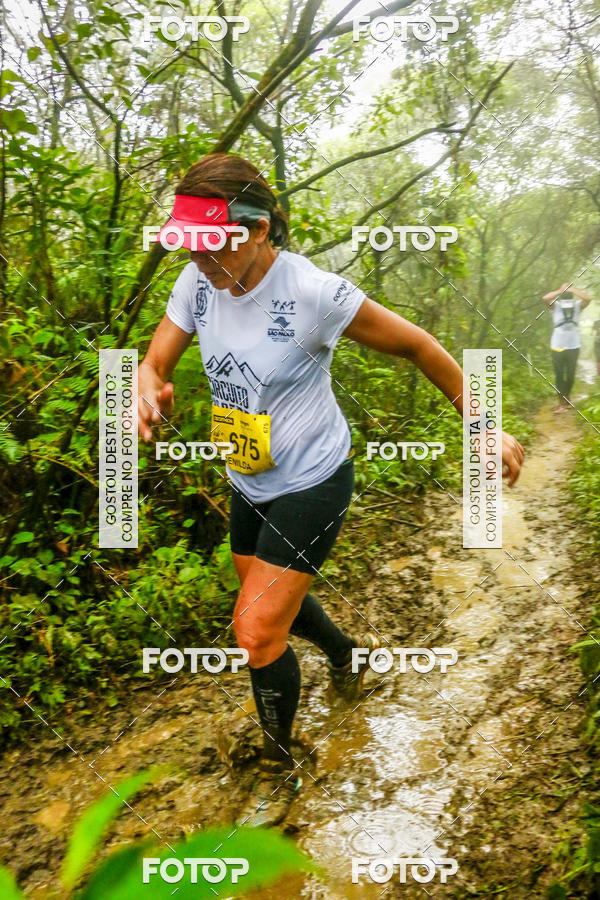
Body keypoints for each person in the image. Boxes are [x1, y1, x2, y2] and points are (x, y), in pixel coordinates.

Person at [137, 153, 525, 828]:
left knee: (255, 629)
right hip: (247, 473)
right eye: (189, 246)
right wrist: (148, 391)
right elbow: (155, 361)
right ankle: (347, 654)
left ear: (258, 230)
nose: (199, 259)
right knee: (270, 605)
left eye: (212, 244)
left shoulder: (313, 293)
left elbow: (420, 347)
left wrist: (484, 426)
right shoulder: (198, 282)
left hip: (314, 478)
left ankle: (280, 764)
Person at [542, 282, 592, 411]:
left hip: (574, 344)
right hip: (557, 344)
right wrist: (561, 290)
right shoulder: (556, 305)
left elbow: (588, 299)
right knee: (559, 374)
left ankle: (567, 397)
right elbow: (545, 298)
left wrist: (573, 289)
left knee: (570, 374)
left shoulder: (577, 305)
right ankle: (561, 402)